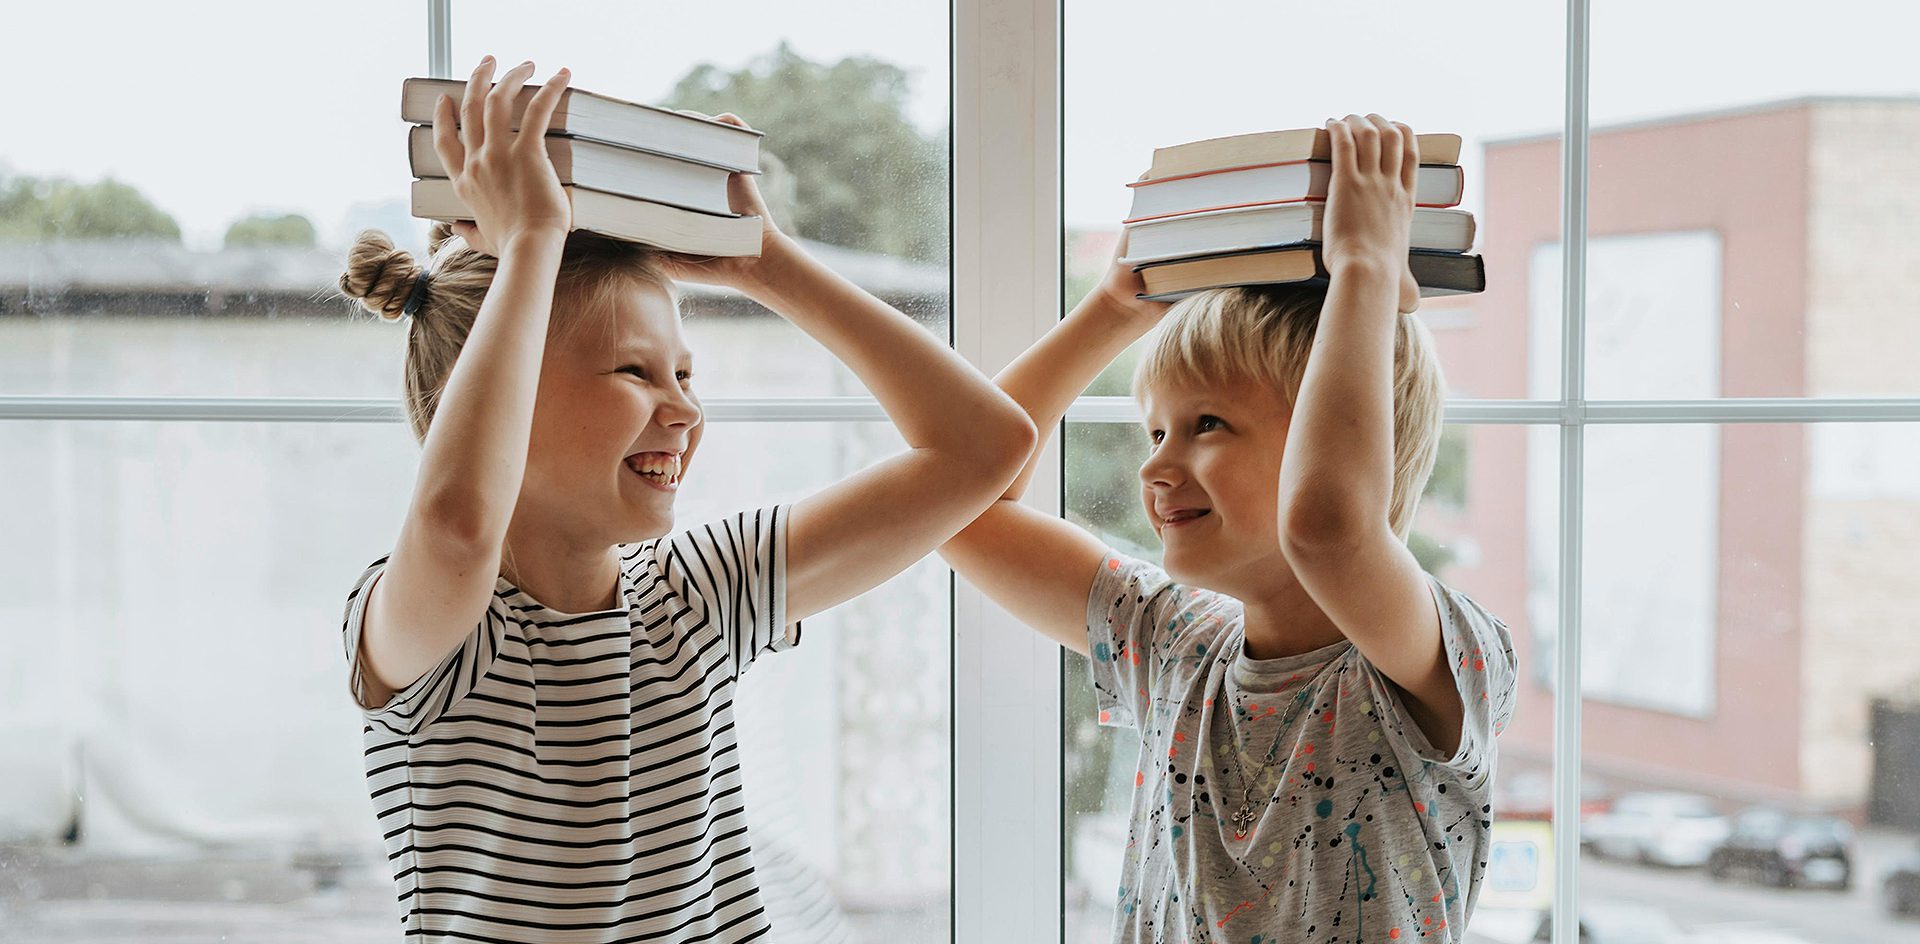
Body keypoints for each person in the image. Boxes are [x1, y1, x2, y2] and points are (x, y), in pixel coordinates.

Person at [334, 56, 1034, 942]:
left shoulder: (697, 595)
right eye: (635, 371)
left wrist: (766, 264)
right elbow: (459, 523)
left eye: (686, 374)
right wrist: (532, 242)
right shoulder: (436, 633)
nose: (686, 410)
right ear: (502, 397)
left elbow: (986, 449)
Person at [939, 115, 1517, 942]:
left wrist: (1365, 270)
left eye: (1208, 423)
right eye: (1156, 432)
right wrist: (1107, 313)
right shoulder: (1174, 641)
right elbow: (959, 503)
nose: (1155, 467)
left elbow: (1328, 529)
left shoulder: (1434, 656)